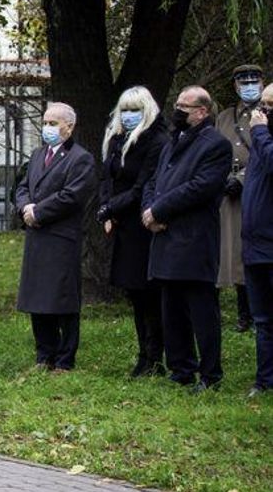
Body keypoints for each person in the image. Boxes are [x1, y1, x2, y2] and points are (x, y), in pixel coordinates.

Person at [142, 86, 232, 393]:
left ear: (202, 111)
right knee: (172, 308)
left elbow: (200, 187)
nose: (177, 110)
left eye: (184, 106)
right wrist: (148, 210)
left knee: (202, 311)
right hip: (165, 236)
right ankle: (181, 369)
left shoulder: (215, 145)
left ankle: (210, 375)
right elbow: (154, 181)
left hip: (194, 237)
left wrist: (159, 209)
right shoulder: (172, 142)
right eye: (177, 105)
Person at [15, 102, 98, 371]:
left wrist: (39, 211)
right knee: (37, 297)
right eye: (45, 122)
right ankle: (44, 354)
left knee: (61, 299)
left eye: (53, 123)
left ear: (69, 126)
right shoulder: (39, 154)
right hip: (36, 236)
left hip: (61, 237)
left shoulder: (80, 158)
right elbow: (23, 187)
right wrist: (25, 206)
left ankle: (64, 359)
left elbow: (72, 196)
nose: (47, 128)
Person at [96, 86, 169, 377]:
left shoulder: (157, 140)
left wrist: (110, 208)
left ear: (147, 110)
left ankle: (155, 357)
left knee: (149, 293)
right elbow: (106, 177)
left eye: (134, 110)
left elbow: (143, 186)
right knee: (135, 294)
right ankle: (143, 355)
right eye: (124, 110)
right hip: (121, 222)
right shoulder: (116, 139)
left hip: (143, 222)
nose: (128, 116)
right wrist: (106, 208)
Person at [217, 64, 263, 332]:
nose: (248, 86)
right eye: (243, 82)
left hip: (257, 189)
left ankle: (260, 313)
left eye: (252, 81)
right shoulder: (224, 117)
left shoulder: (266, 114)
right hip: (228, 192)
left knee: (255, 251)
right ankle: (243, 314)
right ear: (235, 86)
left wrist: (243, 178)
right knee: (235, 251)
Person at [242, 87, 273, 398]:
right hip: (255, 246)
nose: (262, 111)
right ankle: (265, 381)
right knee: (263, 320)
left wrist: (261, 133)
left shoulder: (263, 140)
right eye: (262, 105)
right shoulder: (260, 146)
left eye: (270, 106)